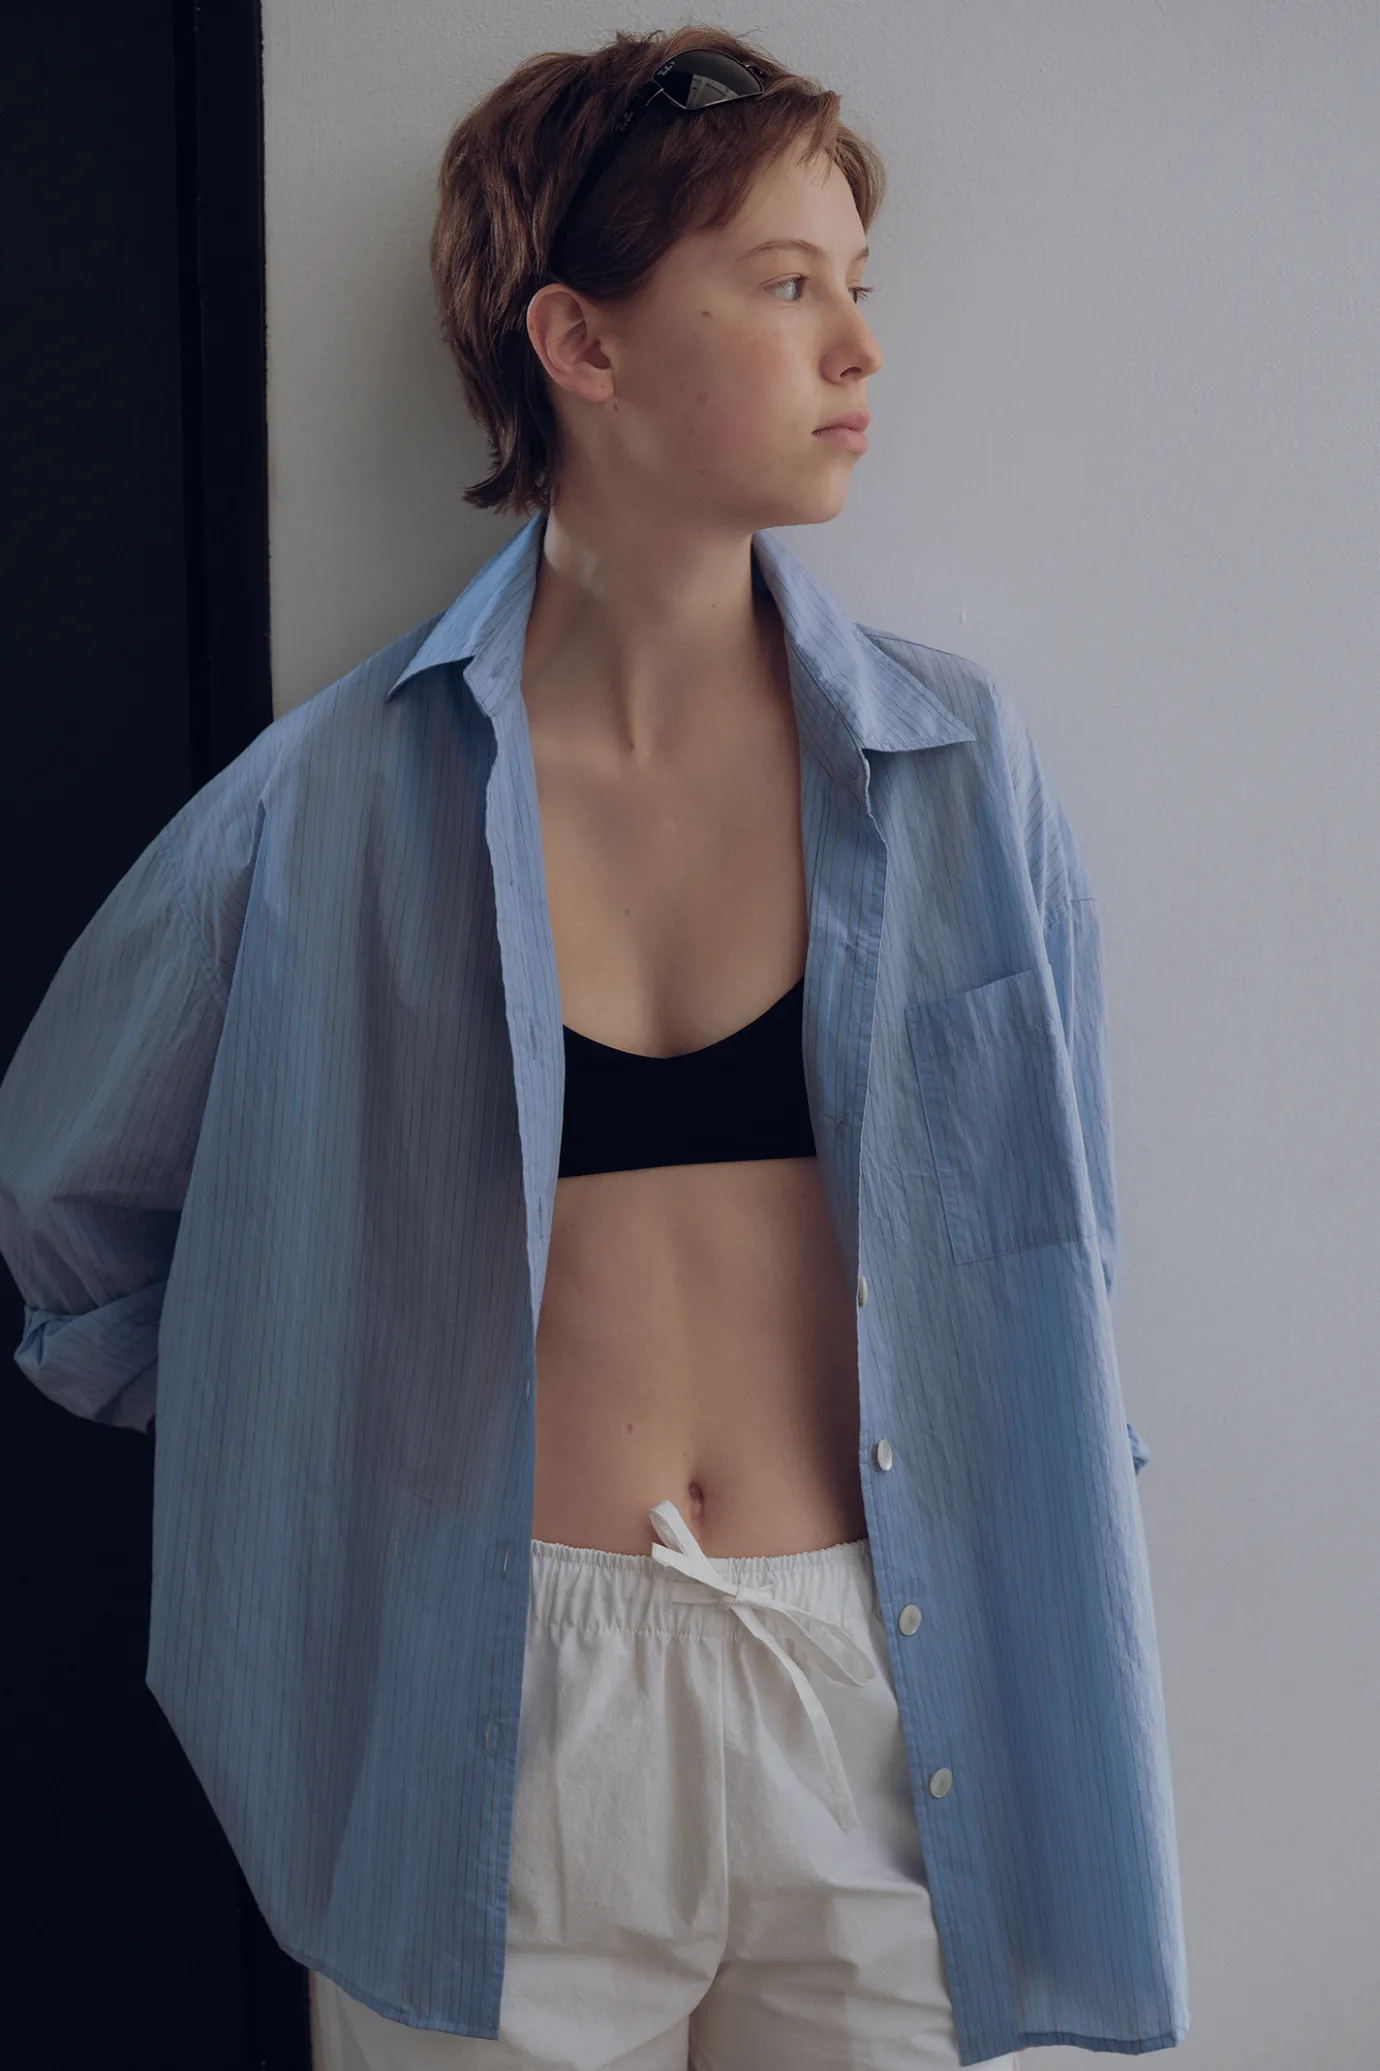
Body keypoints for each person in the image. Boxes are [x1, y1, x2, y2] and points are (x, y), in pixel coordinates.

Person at [0, 26, 1187, 2071]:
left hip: (891, 1691)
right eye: (787, 283)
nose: (860, 350)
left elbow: (1059, 1227)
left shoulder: (960, 773)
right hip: (497, 1712)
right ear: (582, 340)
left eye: (857, 287)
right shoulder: (327, 806)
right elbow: (66, 1197)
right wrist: (306, 1444)